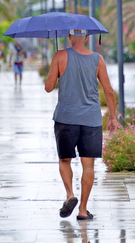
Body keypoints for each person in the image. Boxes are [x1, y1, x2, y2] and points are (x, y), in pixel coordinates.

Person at [45, 29, 118, 220]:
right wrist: (113, 117)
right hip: (91, 120)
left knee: (64, 160)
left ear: (69, 37)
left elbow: (48, 87)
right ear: (87, 37)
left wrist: (55, 67)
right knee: (89, 166)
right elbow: (109, 91)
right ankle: (83, 210)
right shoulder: (98, 59)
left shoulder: (60, 56)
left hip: (66, 118)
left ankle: (70, 195)